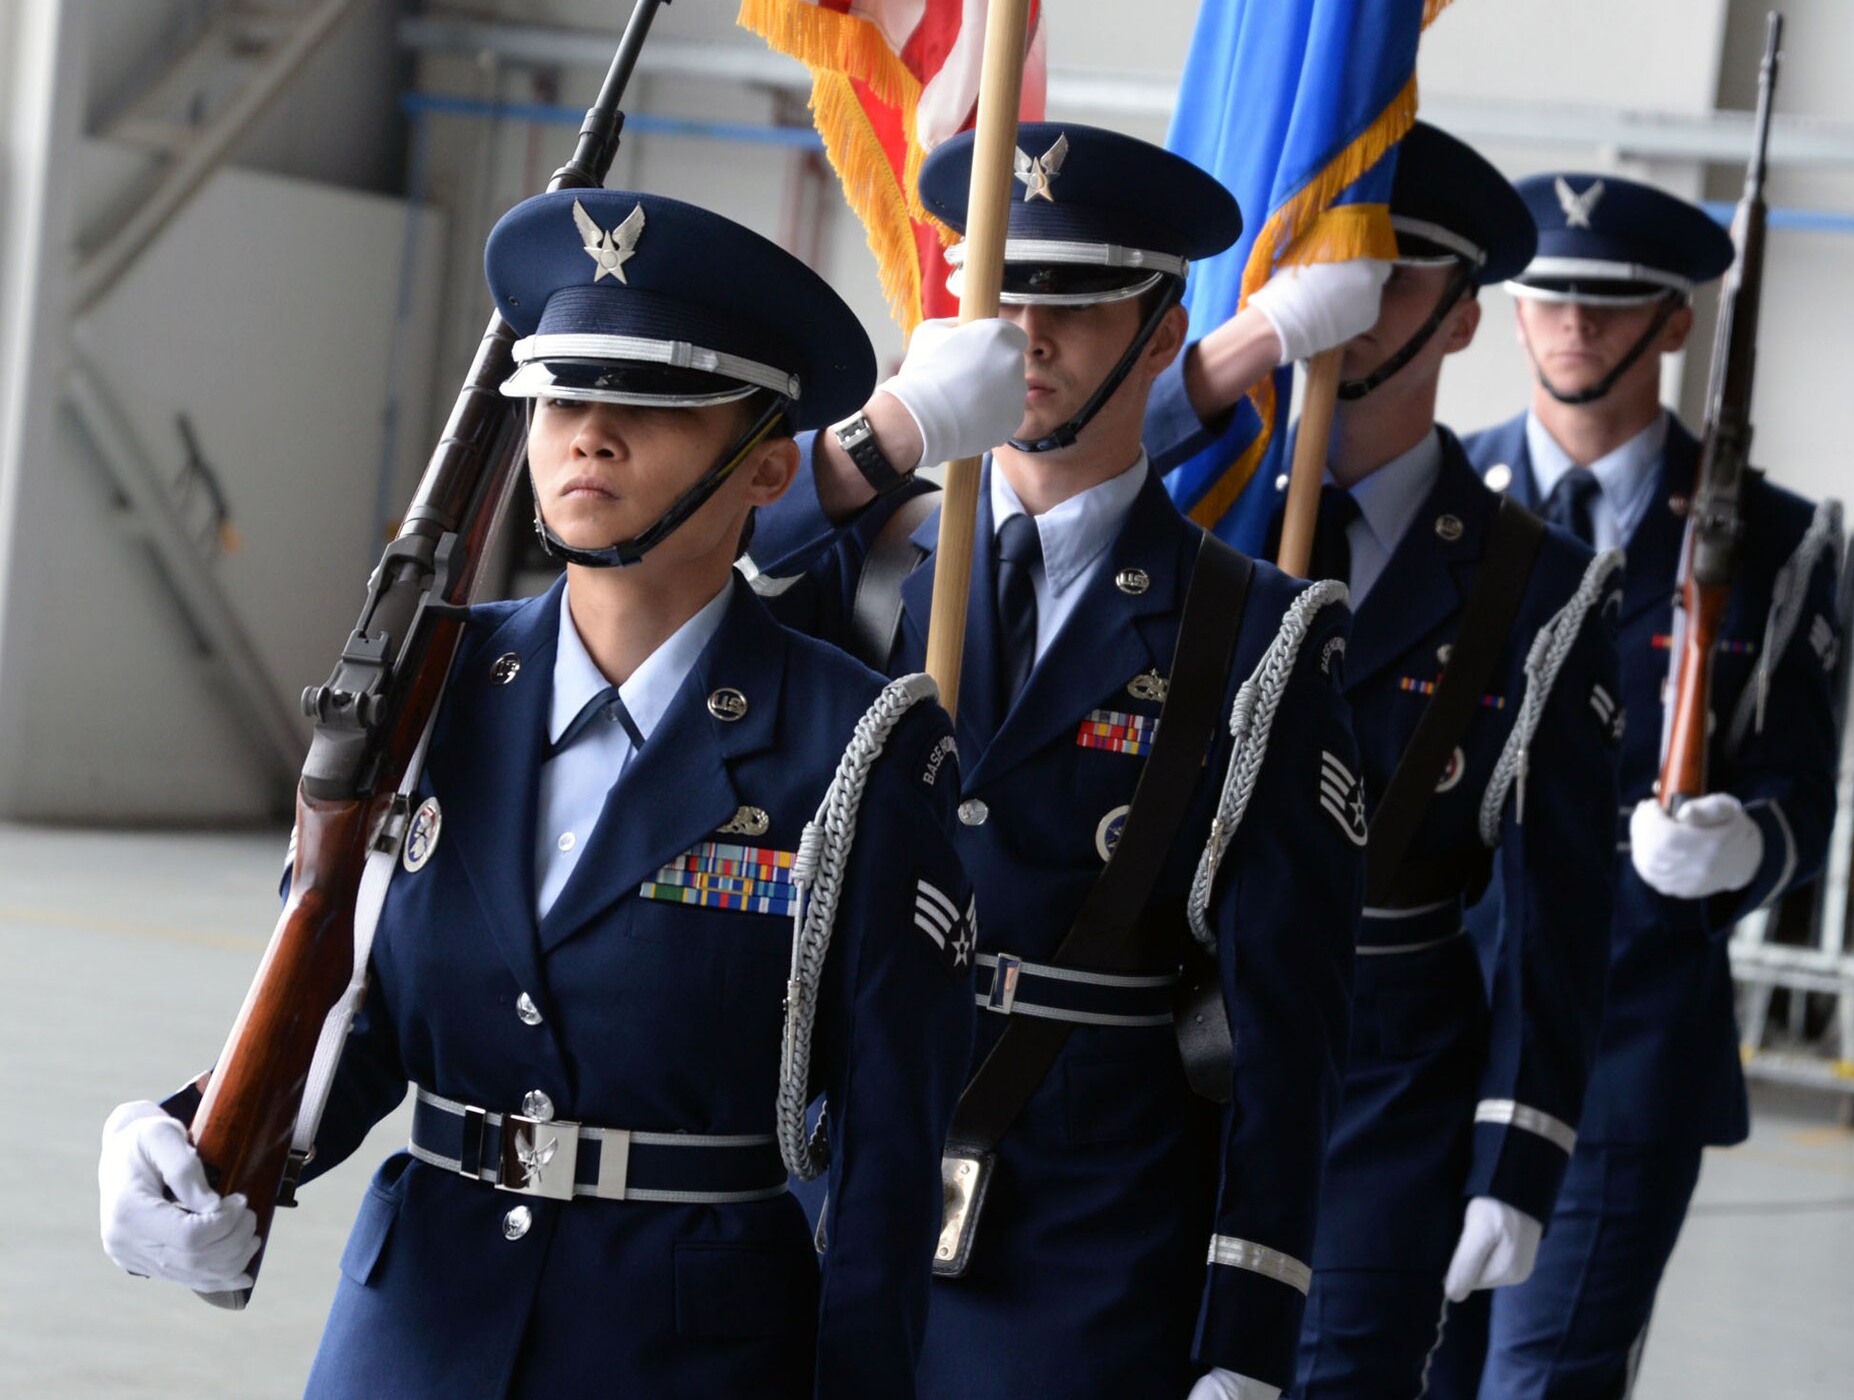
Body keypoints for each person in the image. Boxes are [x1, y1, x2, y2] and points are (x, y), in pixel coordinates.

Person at [96, 189, 977, 1399]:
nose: (590, 436)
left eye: (654, 405)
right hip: (413, 1334)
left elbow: (884, 1163)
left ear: (766, 465)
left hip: (690, 1350)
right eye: (561, 397)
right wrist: (175, 1135)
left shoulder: (857, 743)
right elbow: (352, 1019)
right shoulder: (431, 690)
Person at [754, 122, 1365, 1400]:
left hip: (1085, 1235)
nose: (1026, 334)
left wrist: (1247, 1337)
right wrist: (887, 434)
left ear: (1159, 330)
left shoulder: (1251, 629)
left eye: (1074, 306)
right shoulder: (873, 565)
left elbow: (1286, 1019)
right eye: (1000, 295)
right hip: (830, 1189)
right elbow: (703, 551)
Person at [1143, 123, 1623, 1398]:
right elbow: (1041, 471)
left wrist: (1516, 1155)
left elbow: (1554, 913)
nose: (1353, 305)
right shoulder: (1202, 510)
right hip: (1161, 1066)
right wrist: (1240, 350)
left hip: (1382, 1085)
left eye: (1392, 275)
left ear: (1461, 321)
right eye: (1330, 268)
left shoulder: (1536, 587)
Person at [1452, 172, 1842, 1397]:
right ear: (1510, 315)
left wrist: (1743, 847)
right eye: (1550, 300)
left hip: (1624, 1057)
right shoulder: (1441, 502)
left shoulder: (1770, 543)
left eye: (1611, 307)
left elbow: (1804, 798)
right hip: (1427, 1039)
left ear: (1674, 324)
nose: (1574, 327)